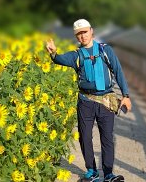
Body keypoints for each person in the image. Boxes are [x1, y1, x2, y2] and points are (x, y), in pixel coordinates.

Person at [45, 19, 132, 182]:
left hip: (106, 101)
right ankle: (91, 171)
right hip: (85, 101)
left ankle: (108, 174)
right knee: (84, 136)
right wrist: (53, 53)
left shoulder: (106, 51)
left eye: (84, 32)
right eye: (78, 34)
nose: (82, 36)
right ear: (76, 37)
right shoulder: (76, 55)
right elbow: (61, 59)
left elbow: (118, 71)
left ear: (91, 31)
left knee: (107, 137)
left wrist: (126, 95)